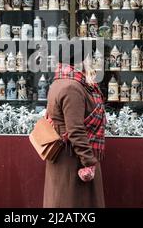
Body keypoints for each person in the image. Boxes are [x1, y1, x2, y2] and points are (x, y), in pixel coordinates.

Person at [43, 47, 106, 208]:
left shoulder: (60, 81)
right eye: (88, 58)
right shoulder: (72, 87)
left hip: (66, 156)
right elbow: (75, 129)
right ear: (81, 61)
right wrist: (88, 161)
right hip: (73, 160)